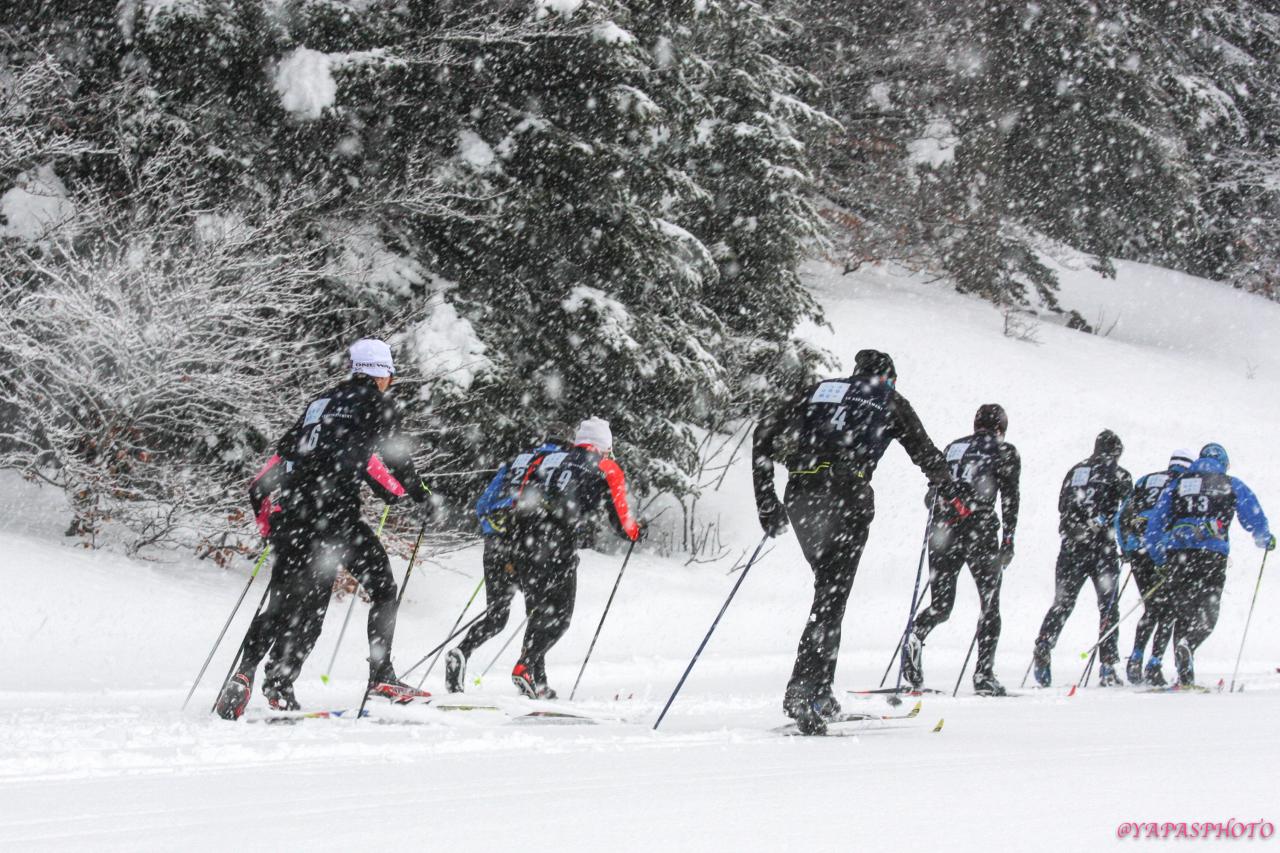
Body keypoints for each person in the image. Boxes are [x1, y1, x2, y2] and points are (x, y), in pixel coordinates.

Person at [215, 339, 434, 720]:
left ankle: (250, 674)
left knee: (288, 604)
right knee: (383, 587)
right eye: (389, 373)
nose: (391, 381)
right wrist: (421, 495)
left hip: (293, 519)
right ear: (380, 373)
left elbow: (290, 450)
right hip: (335, 519)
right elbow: (394, 456)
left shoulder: (320, 403)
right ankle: (381, 676)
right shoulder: (376, 403)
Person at [752, 349, 963, 735]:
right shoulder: (888, 398)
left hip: (801, 494)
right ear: (888, 377)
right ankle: (804, 689)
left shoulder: (818, 390)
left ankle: (818, 688)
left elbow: (763, 433)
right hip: (847, 494)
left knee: (827, 591)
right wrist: (947, 486)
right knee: (832, 595)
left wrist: (766, 501)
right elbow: (925, 453)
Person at [505, 417, 641, 699]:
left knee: (539, 613)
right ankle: (526, 666)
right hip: (557, 547)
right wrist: (637, 532)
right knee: (560, 617)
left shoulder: (553, 459)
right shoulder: (605, 467)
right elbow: (622, 522)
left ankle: (537, 683)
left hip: (523, 540)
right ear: (604, 446)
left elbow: (522, 493)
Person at [902, 403, 1020, 696]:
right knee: (989, 604)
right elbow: (1010, 498)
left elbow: (933, 489)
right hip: (979, 528)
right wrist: (1008, 539)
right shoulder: (1005, 451)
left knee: (941, 605)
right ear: (1001, 428)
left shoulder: (954, 447)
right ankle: (983, 675)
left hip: (943, 529)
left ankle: (915, 636)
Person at [443, 426, 571, 693]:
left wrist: (494, 533)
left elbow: (482, 504)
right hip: (526, 545)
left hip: (496, 544)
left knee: (496, 616)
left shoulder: (517, 462)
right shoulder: (557, 467)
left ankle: (462, 651)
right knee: (539, 614)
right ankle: (537, 681)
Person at [1144, 443, 1273, 686]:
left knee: (1181, 611)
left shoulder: (1177, 485)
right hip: (1211, 556)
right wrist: (1265, 538)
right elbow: (1252, 514)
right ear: (1223, 462)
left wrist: (1159, 557)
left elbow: (1155, 524)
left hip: (1178, 554)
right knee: (1207, 612)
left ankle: (1184, 672)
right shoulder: (1230, 483)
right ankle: (1189, 644)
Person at [1032, 430, 1133, 687]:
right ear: (1116, 452)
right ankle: (1107, 666)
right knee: (1108, 606)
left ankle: (1044, 643)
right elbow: (1126, 514)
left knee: (1062, 603)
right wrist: (1128, 544)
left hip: (1071, 547)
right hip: (1103, 550)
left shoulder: (1075, 471)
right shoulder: (1120, 475)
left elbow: (1062, 506)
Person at [1116, 449, 1194, 686]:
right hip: (1163, 551)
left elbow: (1122, 516)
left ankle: (1135, 658)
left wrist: (1127, 545)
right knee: (1168, 611)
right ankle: (1154, 664)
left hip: (1138, 551)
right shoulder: (1182, 484)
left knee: (1151, 607)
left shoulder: (1145, 480)